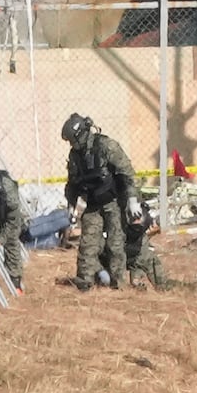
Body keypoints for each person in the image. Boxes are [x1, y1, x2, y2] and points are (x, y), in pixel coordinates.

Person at [62, 112, 139, 292]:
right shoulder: (75, 156)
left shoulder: (106, 146)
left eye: (73, 140)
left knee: (115, 244)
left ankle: (118, 283)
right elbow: (73, 184)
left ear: (81, 134)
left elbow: (128, 174)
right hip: (93, 203)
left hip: (113, 201)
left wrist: (132, 201)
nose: (72, 145)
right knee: (88, 243)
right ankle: (84, 281)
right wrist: (72, 206)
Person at [103, 199, 170, 289]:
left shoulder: (142, 237)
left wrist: (136, 279)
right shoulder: (116, 225)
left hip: (129, 257)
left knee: (149, 257)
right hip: (109, 262)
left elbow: (140, 260)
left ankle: (161, 287)